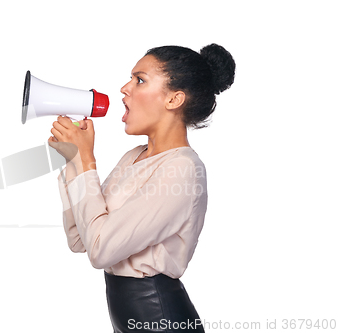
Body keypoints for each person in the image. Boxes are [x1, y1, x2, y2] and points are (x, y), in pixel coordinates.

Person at [48, 43, 235, 333]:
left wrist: (86, 160)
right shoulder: (134, 156)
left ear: (174, 99)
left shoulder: (182, 168)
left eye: (140, 80)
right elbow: (80, 239)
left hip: (161, 319)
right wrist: (75, 161)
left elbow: (101, 250)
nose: (125, 88)